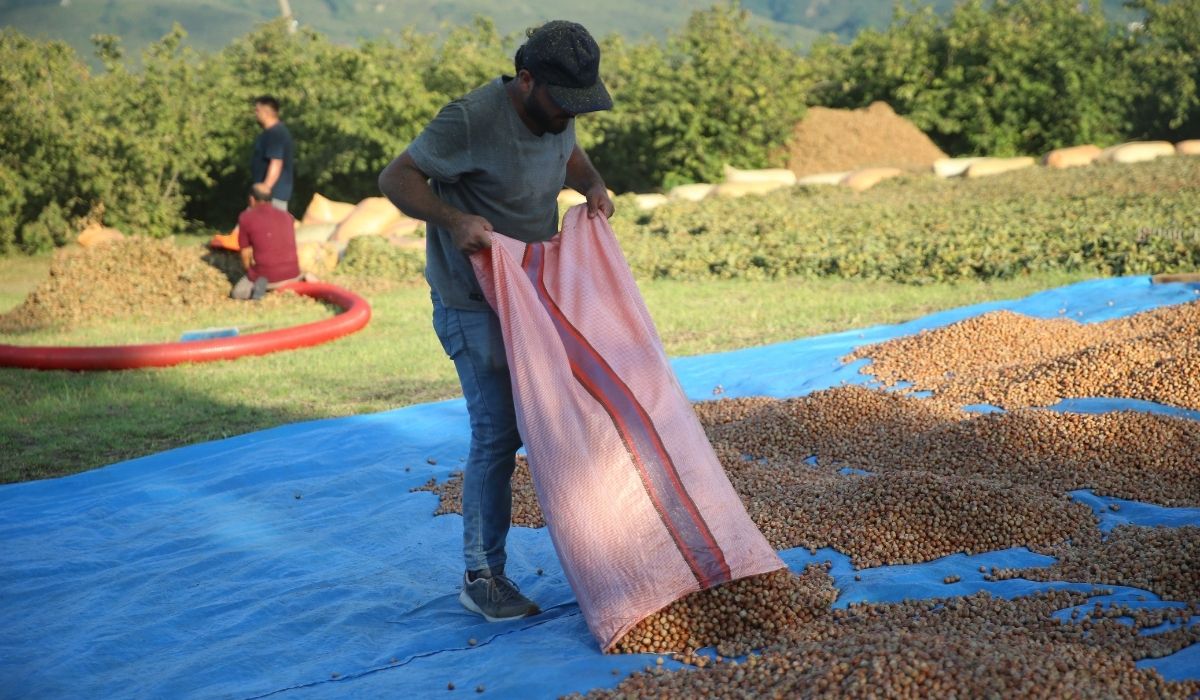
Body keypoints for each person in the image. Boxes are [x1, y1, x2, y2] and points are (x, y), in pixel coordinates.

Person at [378, 20, 615, 622]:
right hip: (472, 302)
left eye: (577, 106)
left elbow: (569, 155)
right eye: (561, 102)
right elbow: (395, 178)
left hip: (533, 294)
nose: (568, 114)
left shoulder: (559, 113)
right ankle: (482, 575)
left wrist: (590, 184)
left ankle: (604, 547)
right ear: (527, 79)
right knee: (499, 433)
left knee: (575, 410)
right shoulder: (472, 118)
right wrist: (454, 220)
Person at [231, 184, 301, 300]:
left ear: (251, 199)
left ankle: (262, 289)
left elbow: (245, 253)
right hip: (293, 274)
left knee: (237, 293)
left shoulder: (246, 217)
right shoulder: (287, 216)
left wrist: (249, 272)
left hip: (267, 277)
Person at [251, 95, 296, 212]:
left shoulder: (276, 133)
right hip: (267, 196)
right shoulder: (268, 133)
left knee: (270, 229)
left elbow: (276, 162)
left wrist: (264, 190)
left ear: (266, 112)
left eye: (257, 110)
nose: (255, 114)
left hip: (272, 197)